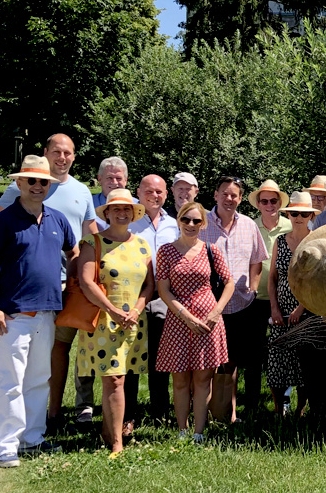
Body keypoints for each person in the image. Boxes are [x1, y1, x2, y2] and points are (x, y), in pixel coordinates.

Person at [0, 133, 98, 428]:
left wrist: (83, 282)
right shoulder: (11, 208)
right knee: (14, 375)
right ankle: (10, 439)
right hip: (16, 302)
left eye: (68, 152)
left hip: (57, 294)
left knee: (42, 370)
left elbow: (82, 244)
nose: (37, 186)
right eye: (56, 152)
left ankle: (37, 430)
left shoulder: (70, 202)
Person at [0, 156, 77, 468]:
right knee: (10, 382)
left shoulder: (57, 219)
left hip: (47, 314)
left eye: (43, 182)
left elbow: (73, 251)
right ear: (19, 183)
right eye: (31, 181)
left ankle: (32, 438)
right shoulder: (4, 220)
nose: (37, 186)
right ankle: (5, 445)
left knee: (39, 379)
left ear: (50, 185)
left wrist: (69, 286)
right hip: (13, 315)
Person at [74, 189, 154, 456]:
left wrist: (137, 308)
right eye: (116, 208)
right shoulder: (92, 242)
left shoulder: (142, 244)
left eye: (127, 209)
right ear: (106, 213)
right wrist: (112, 309)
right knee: (114, 380)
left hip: (133, 321)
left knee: (120, 378)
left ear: (133, 214)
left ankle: (108, 432)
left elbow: (149, 284)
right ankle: (117, 441)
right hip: (104, 320)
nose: (122, 213)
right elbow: (86, 281)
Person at [156, 202, 235, 441]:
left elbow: (229, 282)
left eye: (196, 221)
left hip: (208, 324)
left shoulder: (212, 250)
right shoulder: (166, 252)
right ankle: (182, 429)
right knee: (180, 380)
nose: (190, 225)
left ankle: (199, 432)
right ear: (178, 220)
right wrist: (185, 315)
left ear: (203, 224)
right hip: (178, 322)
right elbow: (163, 289)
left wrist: (216, 311)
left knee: (202, 380)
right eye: (186, 220)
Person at [198, 176, 268, 420]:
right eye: (225, 193)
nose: (230, 199)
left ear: (240, 198)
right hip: (207, 304)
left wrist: (253, 288)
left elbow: (257, 259)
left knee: (237, 360)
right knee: (207, 361)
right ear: (215, 195)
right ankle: (205, 412)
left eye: (234, 195)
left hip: (241, 304)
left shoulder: (249, 225)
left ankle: (233, 412)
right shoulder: (201, 223)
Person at [128, 174, 180, 424]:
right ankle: (128, 412)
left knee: (161, 354)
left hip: (164, 295)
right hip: (133, 295)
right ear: (138, 192)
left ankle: (160, 410)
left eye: (159, 192)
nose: (155, 196)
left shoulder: (174, 224)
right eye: (149, 191)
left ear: (166, 195)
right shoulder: (130, 221)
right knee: (131, 354)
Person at [267, 192, 318, 417]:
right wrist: (274, 308)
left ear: (310, 216)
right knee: (277, 358)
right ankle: (279, 410)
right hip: (281, 309)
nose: (299, 217)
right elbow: (272, 278)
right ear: (288, 214)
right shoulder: (280, 241)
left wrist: (301, 307)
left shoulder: (316, 241)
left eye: (304, 213)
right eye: (294, 212)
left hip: (307, 310)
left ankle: (300, 409)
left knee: (305, 363)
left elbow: (319, 281)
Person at [250, 179, 291, 412]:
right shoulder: (249, 225)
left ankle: (283, 402)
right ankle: (253, 402)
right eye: (264, 200)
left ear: (280, 202)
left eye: (273, 200)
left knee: (284, 350)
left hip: (285, 298)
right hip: (256, 297)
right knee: (255, 353)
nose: (269, 204)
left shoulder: (291, 225)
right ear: (258, 203)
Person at [91, 157, 129, 231]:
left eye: (118, 178)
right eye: (109, 178)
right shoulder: (88, 205)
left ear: (125, 180)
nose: (114, 182)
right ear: (99, 179)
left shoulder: (137, 207)